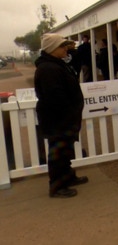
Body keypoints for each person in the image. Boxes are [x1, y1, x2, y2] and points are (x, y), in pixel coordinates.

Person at [34, 34, 87, 198]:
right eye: (62, 46)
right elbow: (55, 97)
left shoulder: (56, 64)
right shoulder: (48, 69)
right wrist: (69, 112)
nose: (66, 49)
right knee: (58, 153)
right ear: (52, 49)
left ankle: (68, 177)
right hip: (58, 119)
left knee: (66, 150)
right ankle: (57, 186)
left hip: (64, 118)